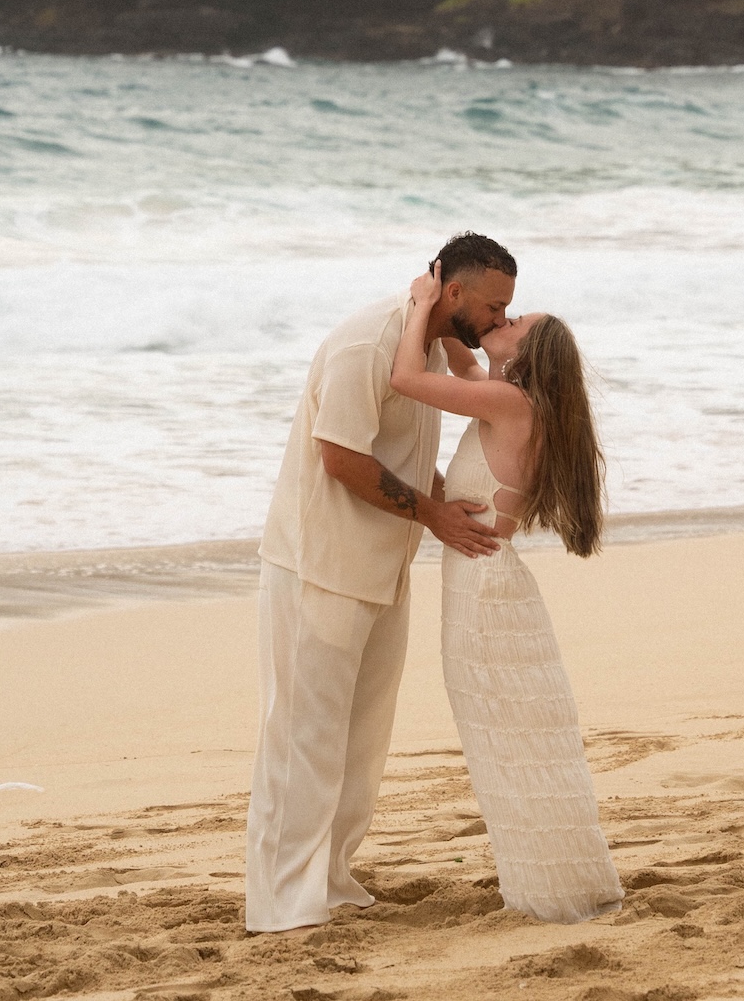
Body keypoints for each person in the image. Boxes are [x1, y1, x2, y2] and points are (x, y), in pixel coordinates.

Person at [244, 233, 519, 934]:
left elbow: (396, 449)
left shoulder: (420, 348)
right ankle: (282, 903)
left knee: (360, 744)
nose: (497, 321)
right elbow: (339, 457)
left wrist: (433, 500)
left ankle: (331, 881)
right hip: (320, 568)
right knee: (303, 739)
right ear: (452, 292)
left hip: (380, 568)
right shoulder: (368, 344)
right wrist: (430, 513)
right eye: (492, 307)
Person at [390, 263, 622, 924]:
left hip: (485, 588)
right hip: (487, 580)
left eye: (514, 322)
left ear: (528, 357)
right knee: (506, 740)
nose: (503, 321)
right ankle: (548, 881)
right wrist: (453, 312)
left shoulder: (511, 404)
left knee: (506, 741)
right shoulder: (507, 397)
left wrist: (419, 304)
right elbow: (462, 366)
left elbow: (406, 379)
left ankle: (548, 891)